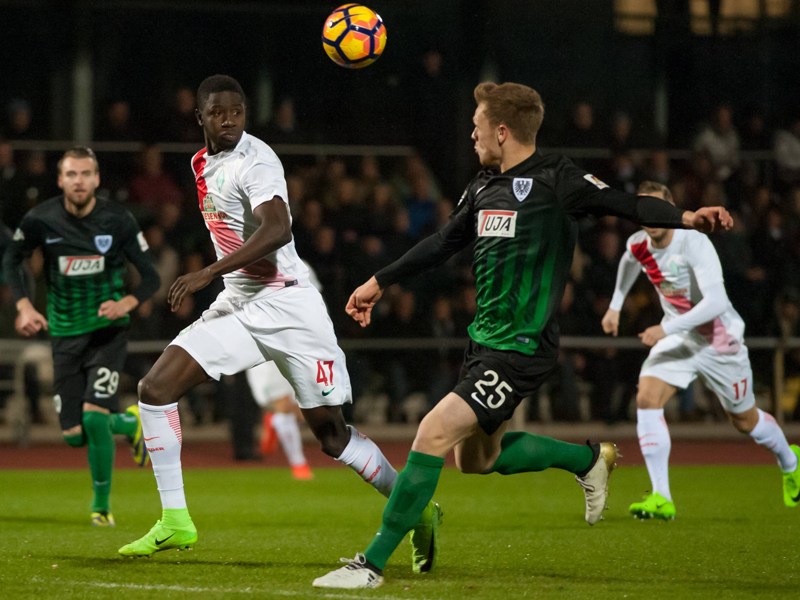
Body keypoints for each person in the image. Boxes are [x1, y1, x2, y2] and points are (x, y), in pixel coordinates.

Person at [313, 81, 734, 590]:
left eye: (478, 125)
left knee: (432, 431)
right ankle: (588, 460)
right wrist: (380, 282)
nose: (471, 133)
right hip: (484, 342)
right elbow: (443, 242)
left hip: (521, 348)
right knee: (477, 459)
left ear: (503, 130)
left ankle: (373, 564)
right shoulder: (482, 187)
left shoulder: (559, 178)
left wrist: (689, 217)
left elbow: (628, 204)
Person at [117, 75, 439, 571]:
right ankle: (176, 520)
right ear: (199, 117)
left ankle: (417, 511)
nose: (230, 121)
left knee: (332, 437)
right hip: (241, 305)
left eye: (238, 112)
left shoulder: (258, 160)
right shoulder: (200, 162)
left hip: (290, 308)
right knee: (155, 389)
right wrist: (223, 280)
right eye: (219, 113)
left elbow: (278, 227)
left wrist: (208, 270)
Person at [601, 180, 800, 520]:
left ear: (671, 208)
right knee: (647, 397)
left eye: (658, 208)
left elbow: (717, 302)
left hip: (719, 340)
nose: (651, 217)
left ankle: (790, 461)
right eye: (644, 209)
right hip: (682, 338)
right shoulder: (639, 243)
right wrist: (615, 306)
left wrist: (665, 328)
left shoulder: (693, 242)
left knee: (744, 420)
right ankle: (662, 496)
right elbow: (629, 260)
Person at [1, 146, 160, 526]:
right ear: (60, 180)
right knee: (72, 434)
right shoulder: (42, 219)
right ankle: (130, 422)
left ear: (97, 179)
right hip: (64, 336)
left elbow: (151, 277)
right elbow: (11, 258)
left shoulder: (117, 220)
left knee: (92, 419)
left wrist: (127, 302)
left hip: (107, 334)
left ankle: (101, 505)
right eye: (71, 174)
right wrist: (23, 305)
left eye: (85, 173)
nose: (78, 181)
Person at [246, 361, 313, 480]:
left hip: (290, 358)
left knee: (299, 411)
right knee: (283, 407)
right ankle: (299, 463)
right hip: (266, 362)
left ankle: (273, 421)